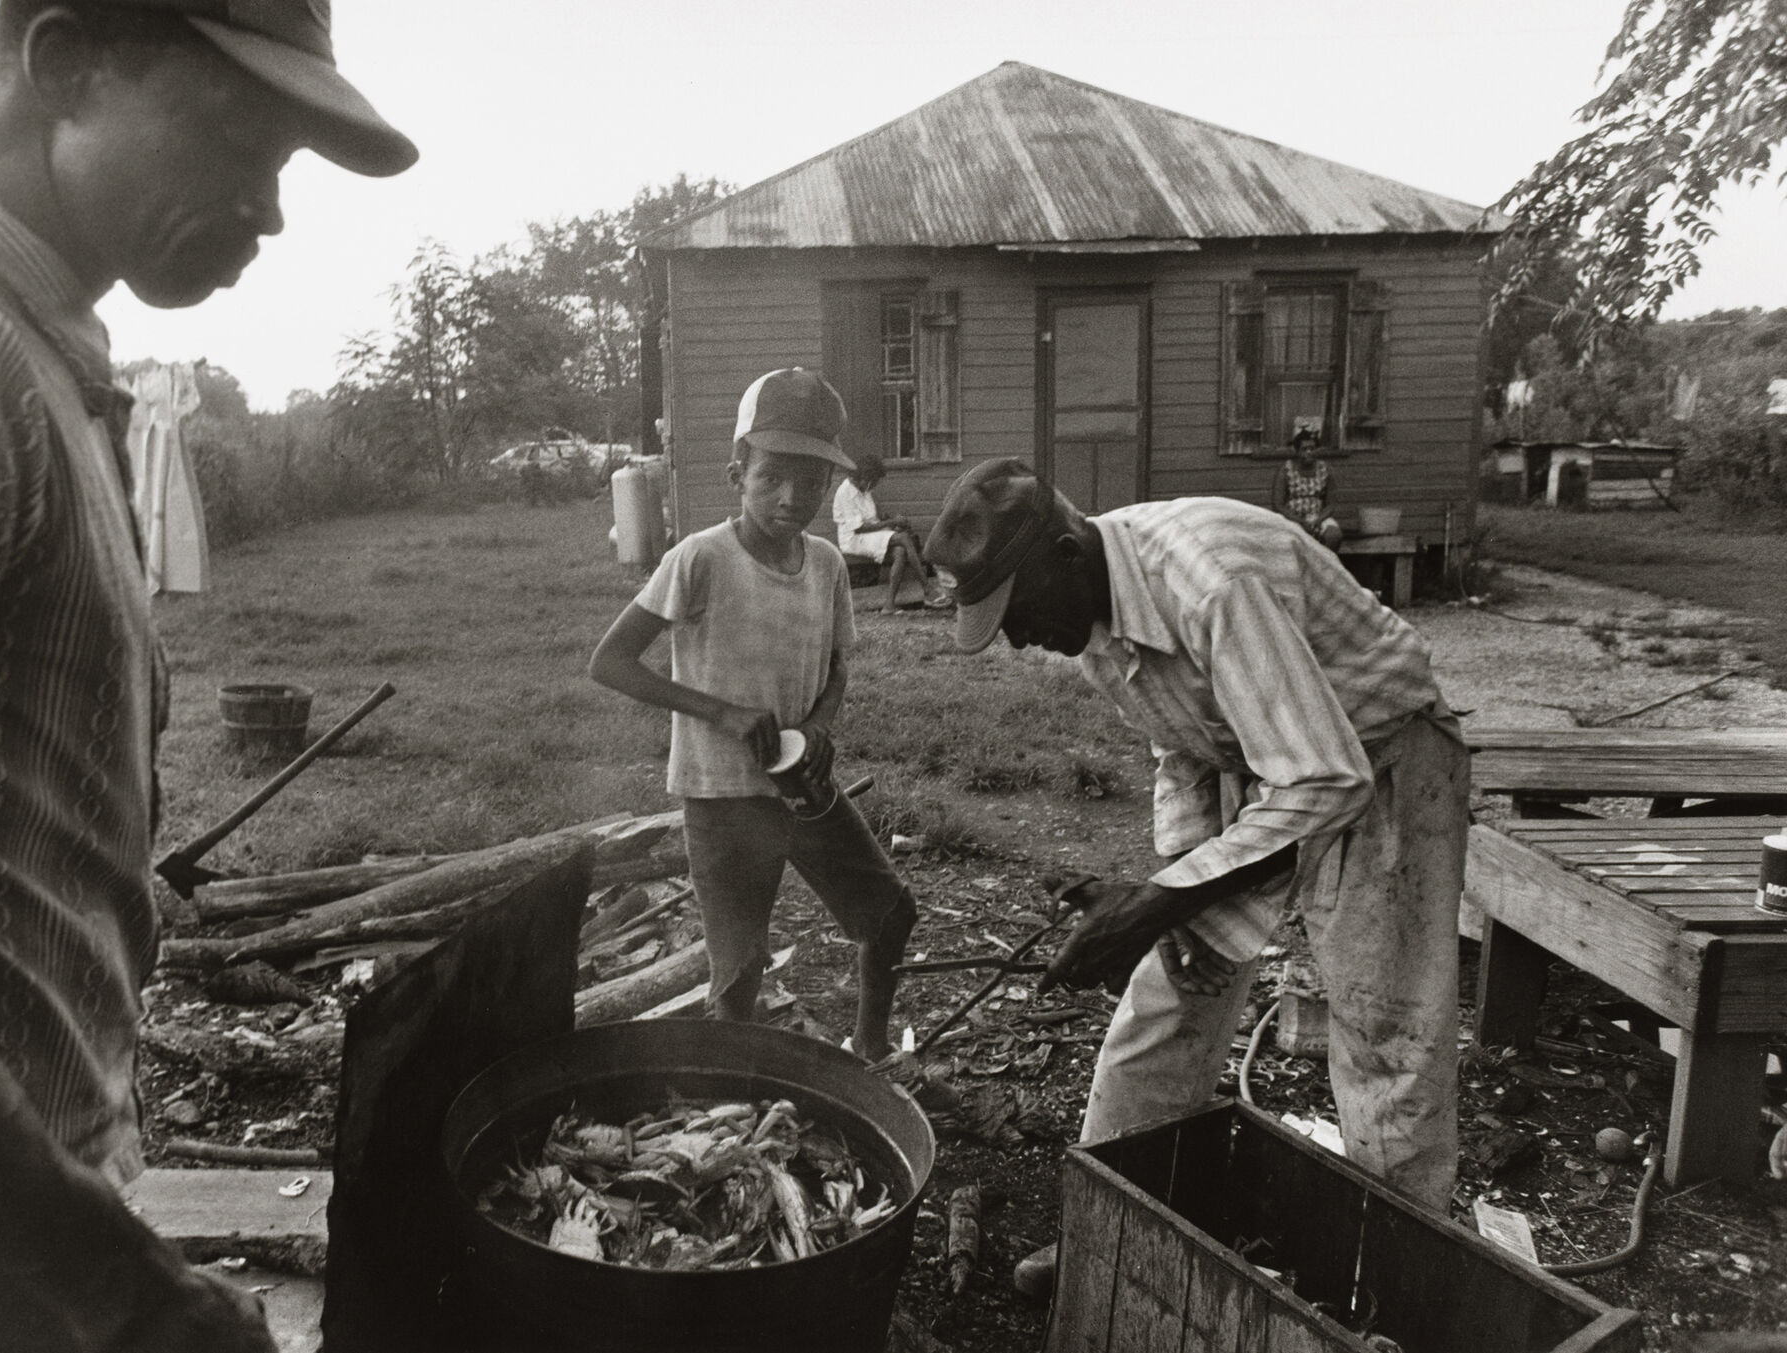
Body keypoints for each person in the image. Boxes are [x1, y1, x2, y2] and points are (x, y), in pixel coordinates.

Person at [0, 4, 414, 1350]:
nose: (270, 212)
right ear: (65, 61)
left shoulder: (5, 336)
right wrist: (127, 1293)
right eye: (245, 138)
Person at [924, 458, 1468, 1292]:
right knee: (1166, 1001)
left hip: (1382, 759)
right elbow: (1178, 742)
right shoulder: (1093, 616)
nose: (1017, 636)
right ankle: (1105, 1236)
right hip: (1257, 766)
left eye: (1018, 610)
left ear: (1068, 553)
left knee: (1387, 1039)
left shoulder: (1209, 582)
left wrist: (1158, 899)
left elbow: (1328, 776)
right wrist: (1169, 887)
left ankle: (1398, 1292)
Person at [590, 368, 917, 1060]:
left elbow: (836, 668)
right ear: (737, 470)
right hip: (721, 796)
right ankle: (730, 1105)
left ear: (831, 484)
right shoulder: (699, 559)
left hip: (803, 787)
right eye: (771, 477)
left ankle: (872, 1049)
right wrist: (723, 713)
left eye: (811, 481)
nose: (792, 497)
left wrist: (821, 725)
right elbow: (610, 662)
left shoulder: (826, 564)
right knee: (738, 971)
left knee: (889, 914)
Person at [834, 459, 948, 613]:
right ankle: (927, 589)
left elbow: (875, 517)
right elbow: (859, 528)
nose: (874, 486)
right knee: (904, 538)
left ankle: (889, 605)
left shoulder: (864, 490)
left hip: (870, 534)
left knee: (901, 551)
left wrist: (892, 522)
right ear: (866, 478)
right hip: (854, 539)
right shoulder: (845, 492)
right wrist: (892, 522)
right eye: (874, 482)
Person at [1271, 424, 1344, 549]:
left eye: (1312, 448)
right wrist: (1300, 521)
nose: (1309, 452)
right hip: (1292, 518)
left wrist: (1318, 520)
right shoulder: (1285, 470)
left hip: (1318, 517)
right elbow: (1278, 505)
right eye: (1304, 449)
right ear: (1297, 451)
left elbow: (1331, 504)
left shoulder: (1325, 469)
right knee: (1287, 539)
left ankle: (1324, 566)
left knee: (1334, 535)